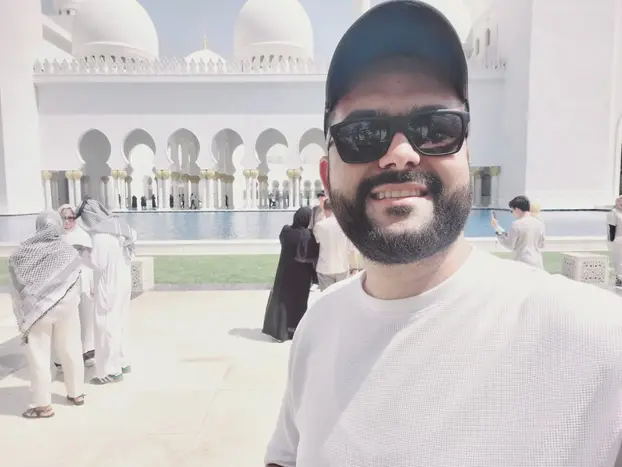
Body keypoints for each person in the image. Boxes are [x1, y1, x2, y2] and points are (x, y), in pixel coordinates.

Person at [264, 2, 622, 466]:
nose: (400, 153)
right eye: (364, 132)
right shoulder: (318, 328)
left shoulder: (600, 342)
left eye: (434, 128)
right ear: (327, 174)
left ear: (466, 154)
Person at [8, 211, 86, 418]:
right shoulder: (68, 251)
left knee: (39, 356)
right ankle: (76, 393)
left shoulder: (23, 252)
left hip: (37, 312)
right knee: (71, 349)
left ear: (39, 226)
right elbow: (76, 280)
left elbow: (16, 283)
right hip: (67, 309)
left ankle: (43, 405)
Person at [76, 197, 135, 385]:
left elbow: (98, 264)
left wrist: (82, 253)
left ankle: (110, 371)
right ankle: (122, 361)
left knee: (105, 326)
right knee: (119, 323)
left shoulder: (100, 236)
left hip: (108, 285)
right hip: (123, 283)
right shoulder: (120, 228)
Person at [262, 206, 318, 342]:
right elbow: (314, 253)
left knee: (282, 300)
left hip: (285, 271)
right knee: (298, 302)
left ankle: (279, 331)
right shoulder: (307, 235)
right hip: (301, 274)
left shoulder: (285, 231)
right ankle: (294, 330)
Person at [55, 204, 95, 370]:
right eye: (63, 218)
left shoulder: (83, 236)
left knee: (86, 318)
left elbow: (90, 263)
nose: (67, 221)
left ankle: (88, 351)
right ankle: (61, 357)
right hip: (63, 285)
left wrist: (92, 284)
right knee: (63, 322)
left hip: (83, 282)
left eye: (71, 218)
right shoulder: (56, 237)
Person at [491, 195, 545, 268]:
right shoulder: (539, 224)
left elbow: (509, 245)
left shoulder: (516, 224)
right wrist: (498, 228)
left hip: (522, 263)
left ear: (517, 209)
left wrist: (497, 231)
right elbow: (541, 244)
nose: (512, 213)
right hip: (538, 263)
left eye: (512, 211)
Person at [312, 199, 351, 291]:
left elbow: (317, 240)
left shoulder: (320, 225)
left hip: (325, 267)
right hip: (342, 266)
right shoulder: (345, 225)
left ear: (324, 210)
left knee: (326, 297)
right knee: (342, 296)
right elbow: (351, 249)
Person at [607, 196, 622, 288]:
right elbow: (612, 228)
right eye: (620, 201)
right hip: (618, 240)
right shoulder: (614, 212)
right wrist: (612, 240)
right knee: (619, 260)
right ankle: (619, 279)